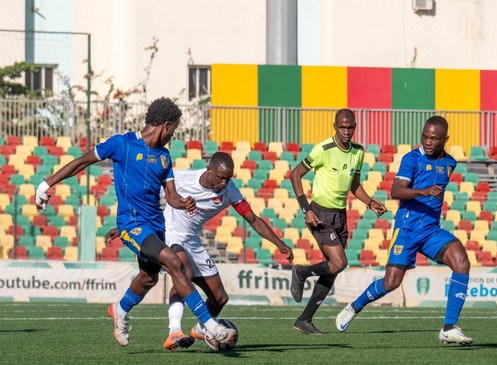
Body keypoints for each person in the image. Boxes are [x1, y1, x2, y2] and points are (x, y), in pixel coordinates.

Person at [35, 97, 236, 350]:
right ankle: (210, 325)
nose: (172, 135)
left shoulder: (164, 157)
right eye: (173, 130)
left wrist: (183, 203)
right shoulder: (122, 144)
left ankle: (119, 310)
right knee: (173, 262)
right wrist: (46, 184)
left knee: (148, 278)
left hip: (156, 226)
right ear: (165, 125)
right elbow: (81, 162)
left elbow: (171, 197)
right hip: (131, 223)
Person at [106, 151, 294, 351]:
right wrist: (127, 225)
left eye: (228, 178)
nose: (224, 183)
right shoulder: (181, 179)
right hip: (169, 233)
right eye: (221, 178)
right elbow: (147, 200)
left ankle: (200, 329)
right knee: (183, 272)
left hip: (192, 240)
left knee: (219, 298)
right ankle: (174, 330)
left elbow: (253, 219)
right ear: (209, 170)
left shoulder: (230, 190)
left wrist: (279, 243)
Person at [335, 115, 473, 345]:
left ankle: (449, 328)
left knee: (462, 262)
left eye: (434, 139)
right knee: (391, 283)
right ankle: (354, 306)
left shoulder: (450, 163)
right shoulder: (412, 159)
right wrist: (423, 191)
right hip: (407, 229)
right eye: (425, 137)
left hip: (430, 230)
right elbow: (396, 191)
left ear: (445, 139)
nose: (428, 142)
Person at [289, 108, 386, 334]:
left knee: (332, 270)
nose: (346, 131)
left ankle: (304, 320)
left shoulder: (358, 152)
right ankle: (301, 273)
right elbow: (295, 175)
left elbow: (354, 185)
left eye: (350, 127)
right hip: (319, 214)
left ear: (355, 127)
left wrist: (370, 202)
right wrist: (306, 209)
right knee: (339, 262)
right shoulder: (323, 149)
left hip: (340, 216)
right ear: (335, 127)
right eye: (342, 127)